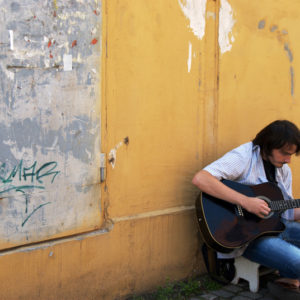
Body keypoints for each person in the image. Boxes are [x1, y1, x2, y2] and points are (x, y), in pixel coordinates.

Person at [192, 120, 300, 299]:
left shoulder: (284, 170)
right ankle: (290, 279)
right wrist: (246, 202)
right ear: (267, 145)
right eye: (284, 153)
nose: (288, 160)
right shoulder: (244, 156)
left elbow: (286, 213)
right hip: (246, 238)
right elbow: (201, 179)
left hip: (277, 227)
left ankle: (288, 282)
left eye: (291, 155)